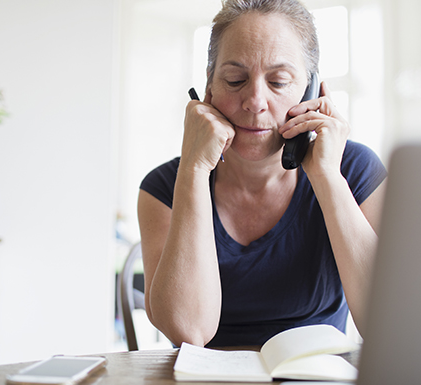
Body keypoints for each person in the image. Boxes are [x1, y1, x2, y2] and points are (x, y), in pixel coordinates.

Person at [137, 0, 387, 348]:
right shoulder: (163, 187)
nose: (255, 100)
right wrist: (194, 170)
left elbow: (388, 323)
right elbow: (188, 331)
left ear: (313, 91)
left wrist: (327, 177)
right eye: (235, 80)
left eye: (279, 81)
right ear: (208, 91)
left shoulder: (354, 170)